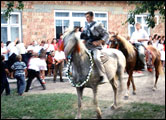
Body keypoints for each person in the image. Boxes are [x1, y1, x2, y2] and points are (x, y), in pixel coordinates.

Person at [80, 11, 109, 83]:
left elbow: (106, 34)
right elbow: (85, 36)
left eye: (88, 17)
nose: (86, 18)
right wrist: (83, 40)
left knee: (96, 58)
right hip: (87, 47)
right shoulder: (86, 26)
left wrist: (99, 41)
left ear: (92, 17)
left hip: (95, 47)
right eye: (86, 17)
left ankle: (103, 75)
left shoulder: (98, 25)